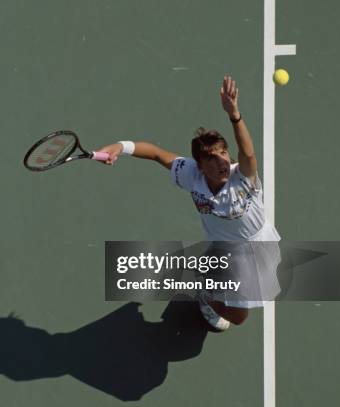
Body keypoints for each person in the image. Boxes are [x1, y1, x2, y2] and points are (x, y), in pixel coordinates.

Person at [97, 76, 281, 331]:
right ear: (200, 166)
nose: (222, 163)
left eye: (224, 154)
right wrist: (120, 146)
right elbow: (156, 154)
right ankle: (206, 294)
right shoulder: (191, 175)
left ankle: (205, 280)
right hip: (226, 250)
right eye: (212, 159)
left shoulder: (243, 178)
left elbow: (248, 153)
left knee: (245, 305)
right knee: (238, 318)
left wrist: (234, 115)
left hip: (259, 246)